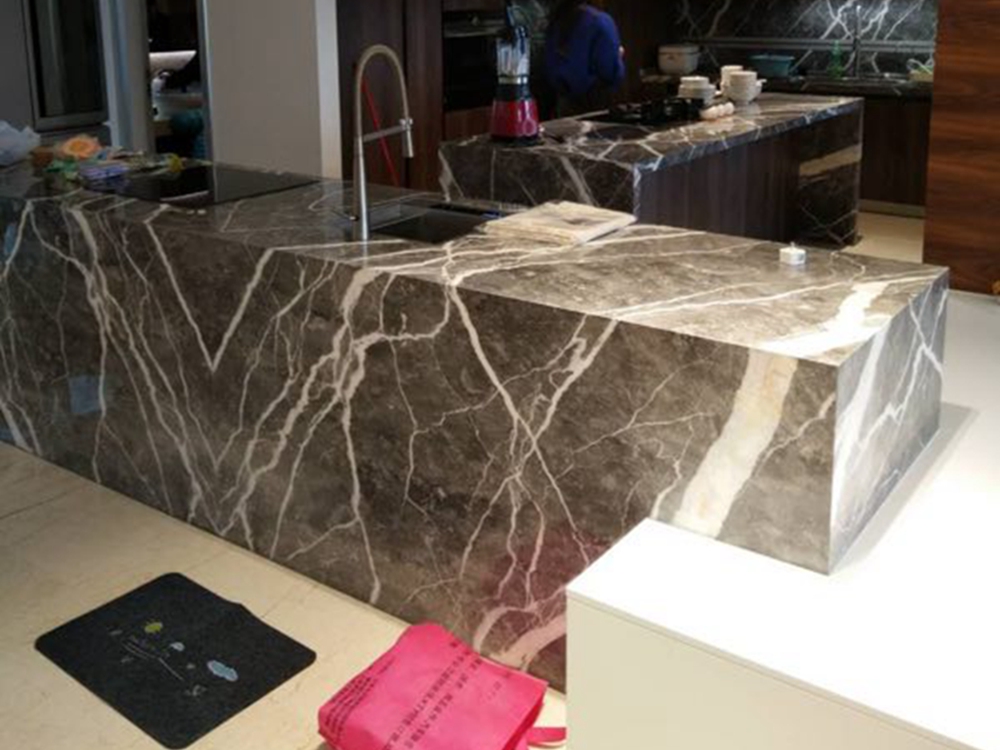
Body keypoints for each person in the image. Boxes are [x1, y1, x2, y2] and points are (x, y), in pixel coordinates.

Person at [543, 1, 626, 116]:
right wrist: (618, 57)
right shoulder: (600, 21)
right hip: (595, 105)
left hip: (562, 105)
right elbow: (610, 72)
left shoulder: (556, 21)